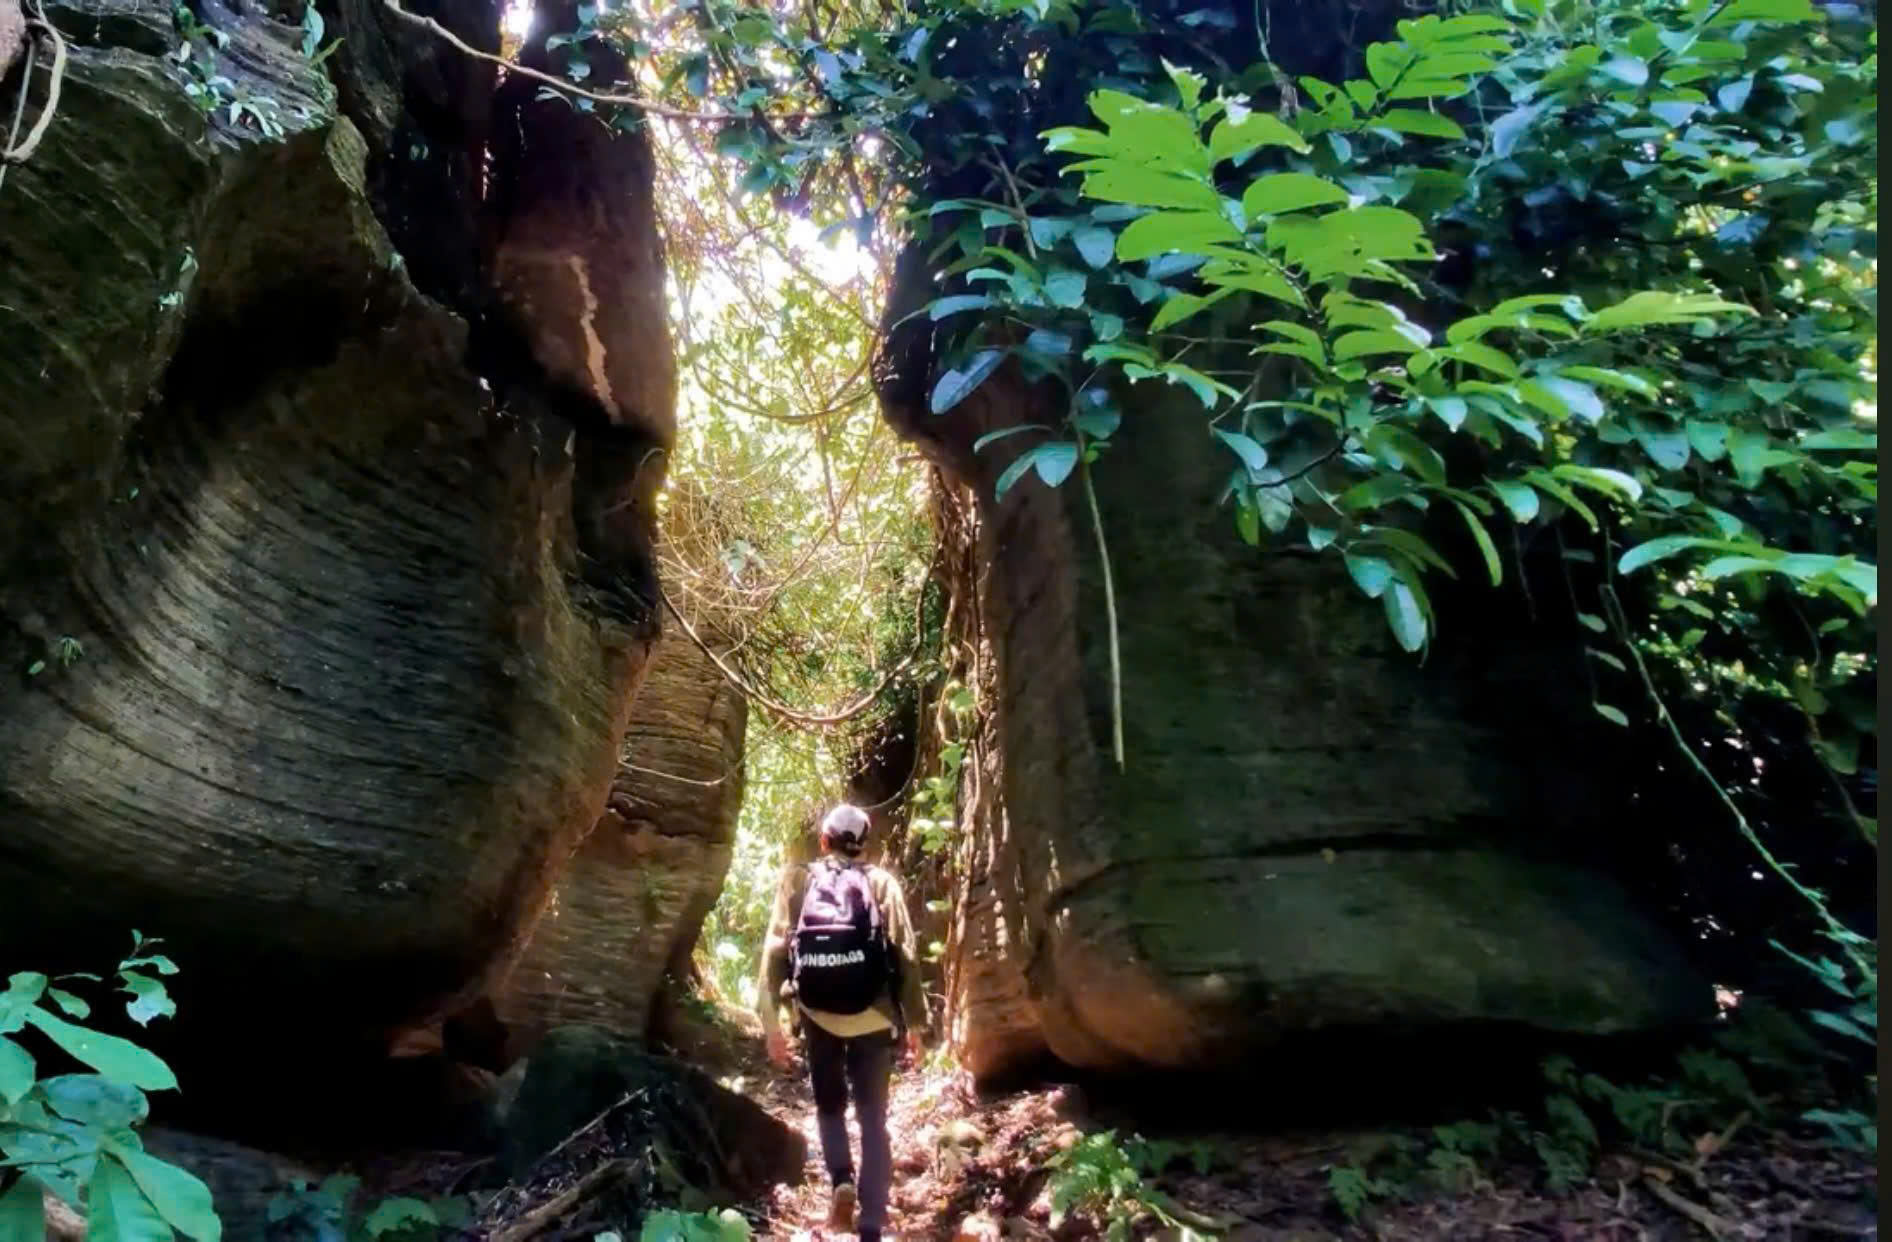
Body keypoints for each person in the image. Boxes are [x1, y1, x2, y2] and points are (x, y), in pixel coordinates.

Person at [759, 803, 926, 1241]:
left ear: (824, 841)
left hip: (817, 1013)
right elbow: (905, 955)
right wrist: (916, 1026)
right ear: (864, 845)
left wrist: (772, 1023)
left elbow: (776, 949)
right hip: (872, 1013)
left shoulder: (798, 879)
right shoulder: (881, 883)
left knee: (830, 1106)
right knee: (873, 1116)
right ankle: (872, 1222)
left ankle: (841, 1181)